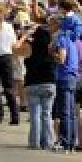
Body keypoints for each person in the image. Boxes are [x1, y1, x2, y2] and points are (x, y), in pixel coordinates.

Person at [21, 12, 58, 150]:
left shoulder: (30, 49)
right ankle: (47, 142)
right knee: (47, 114)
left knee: (35, 114)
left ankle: (34, 142)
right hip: (48, 83)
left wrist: (24, 36)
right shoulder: (51, 51)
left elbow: (14, 49)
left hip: (32, 83)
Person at [53, 0, 82, 152]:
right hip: (74, 74)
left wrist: (54, 55)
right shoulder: (76, 42)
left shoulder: (63, 38)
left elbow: (61, 57)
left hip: (64, 75)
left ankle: (65, 141)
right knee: (71, 112)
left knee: (64, 111)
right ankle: (72, 141)